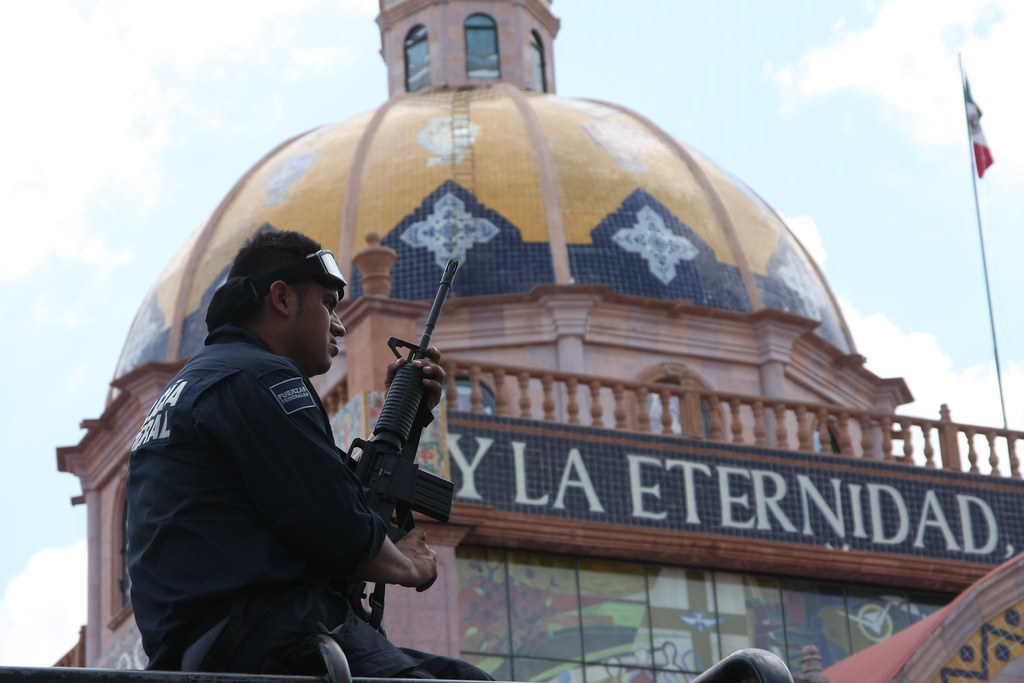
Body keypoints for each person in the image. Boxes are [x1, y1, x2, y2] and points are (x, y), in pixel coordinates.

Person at [126, 229, 491, 680]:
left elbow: (313, 495)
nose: (339, 324)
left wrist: (408, 413)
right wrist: (407, 564)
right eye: (329, 304)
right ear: (282, 298)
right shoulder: (265, 379)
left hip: (210, 644)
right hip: (271, 633)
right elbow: (335, 521)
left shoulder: (199, 384)